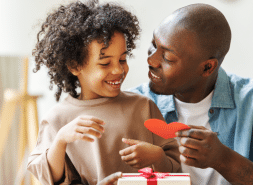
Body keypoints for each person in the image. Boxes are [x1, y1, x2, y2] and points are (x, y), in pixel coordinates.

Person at [27, 1, 181, 184]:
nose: (118, 70)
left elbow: (175, 168)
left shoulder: (143, 107)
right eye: (105, 63)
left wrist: (158, 157)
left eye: (122, 59)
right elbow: (48, 177)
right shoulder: (57, 119)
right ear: (74, 66)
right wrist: (60, 140)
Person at [129, 3, 253, 185]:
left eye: (168, 58)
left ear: (207, 67)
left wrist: (223, 159)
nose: (151, 60)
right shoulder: (134, 104)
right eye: (153, 44)